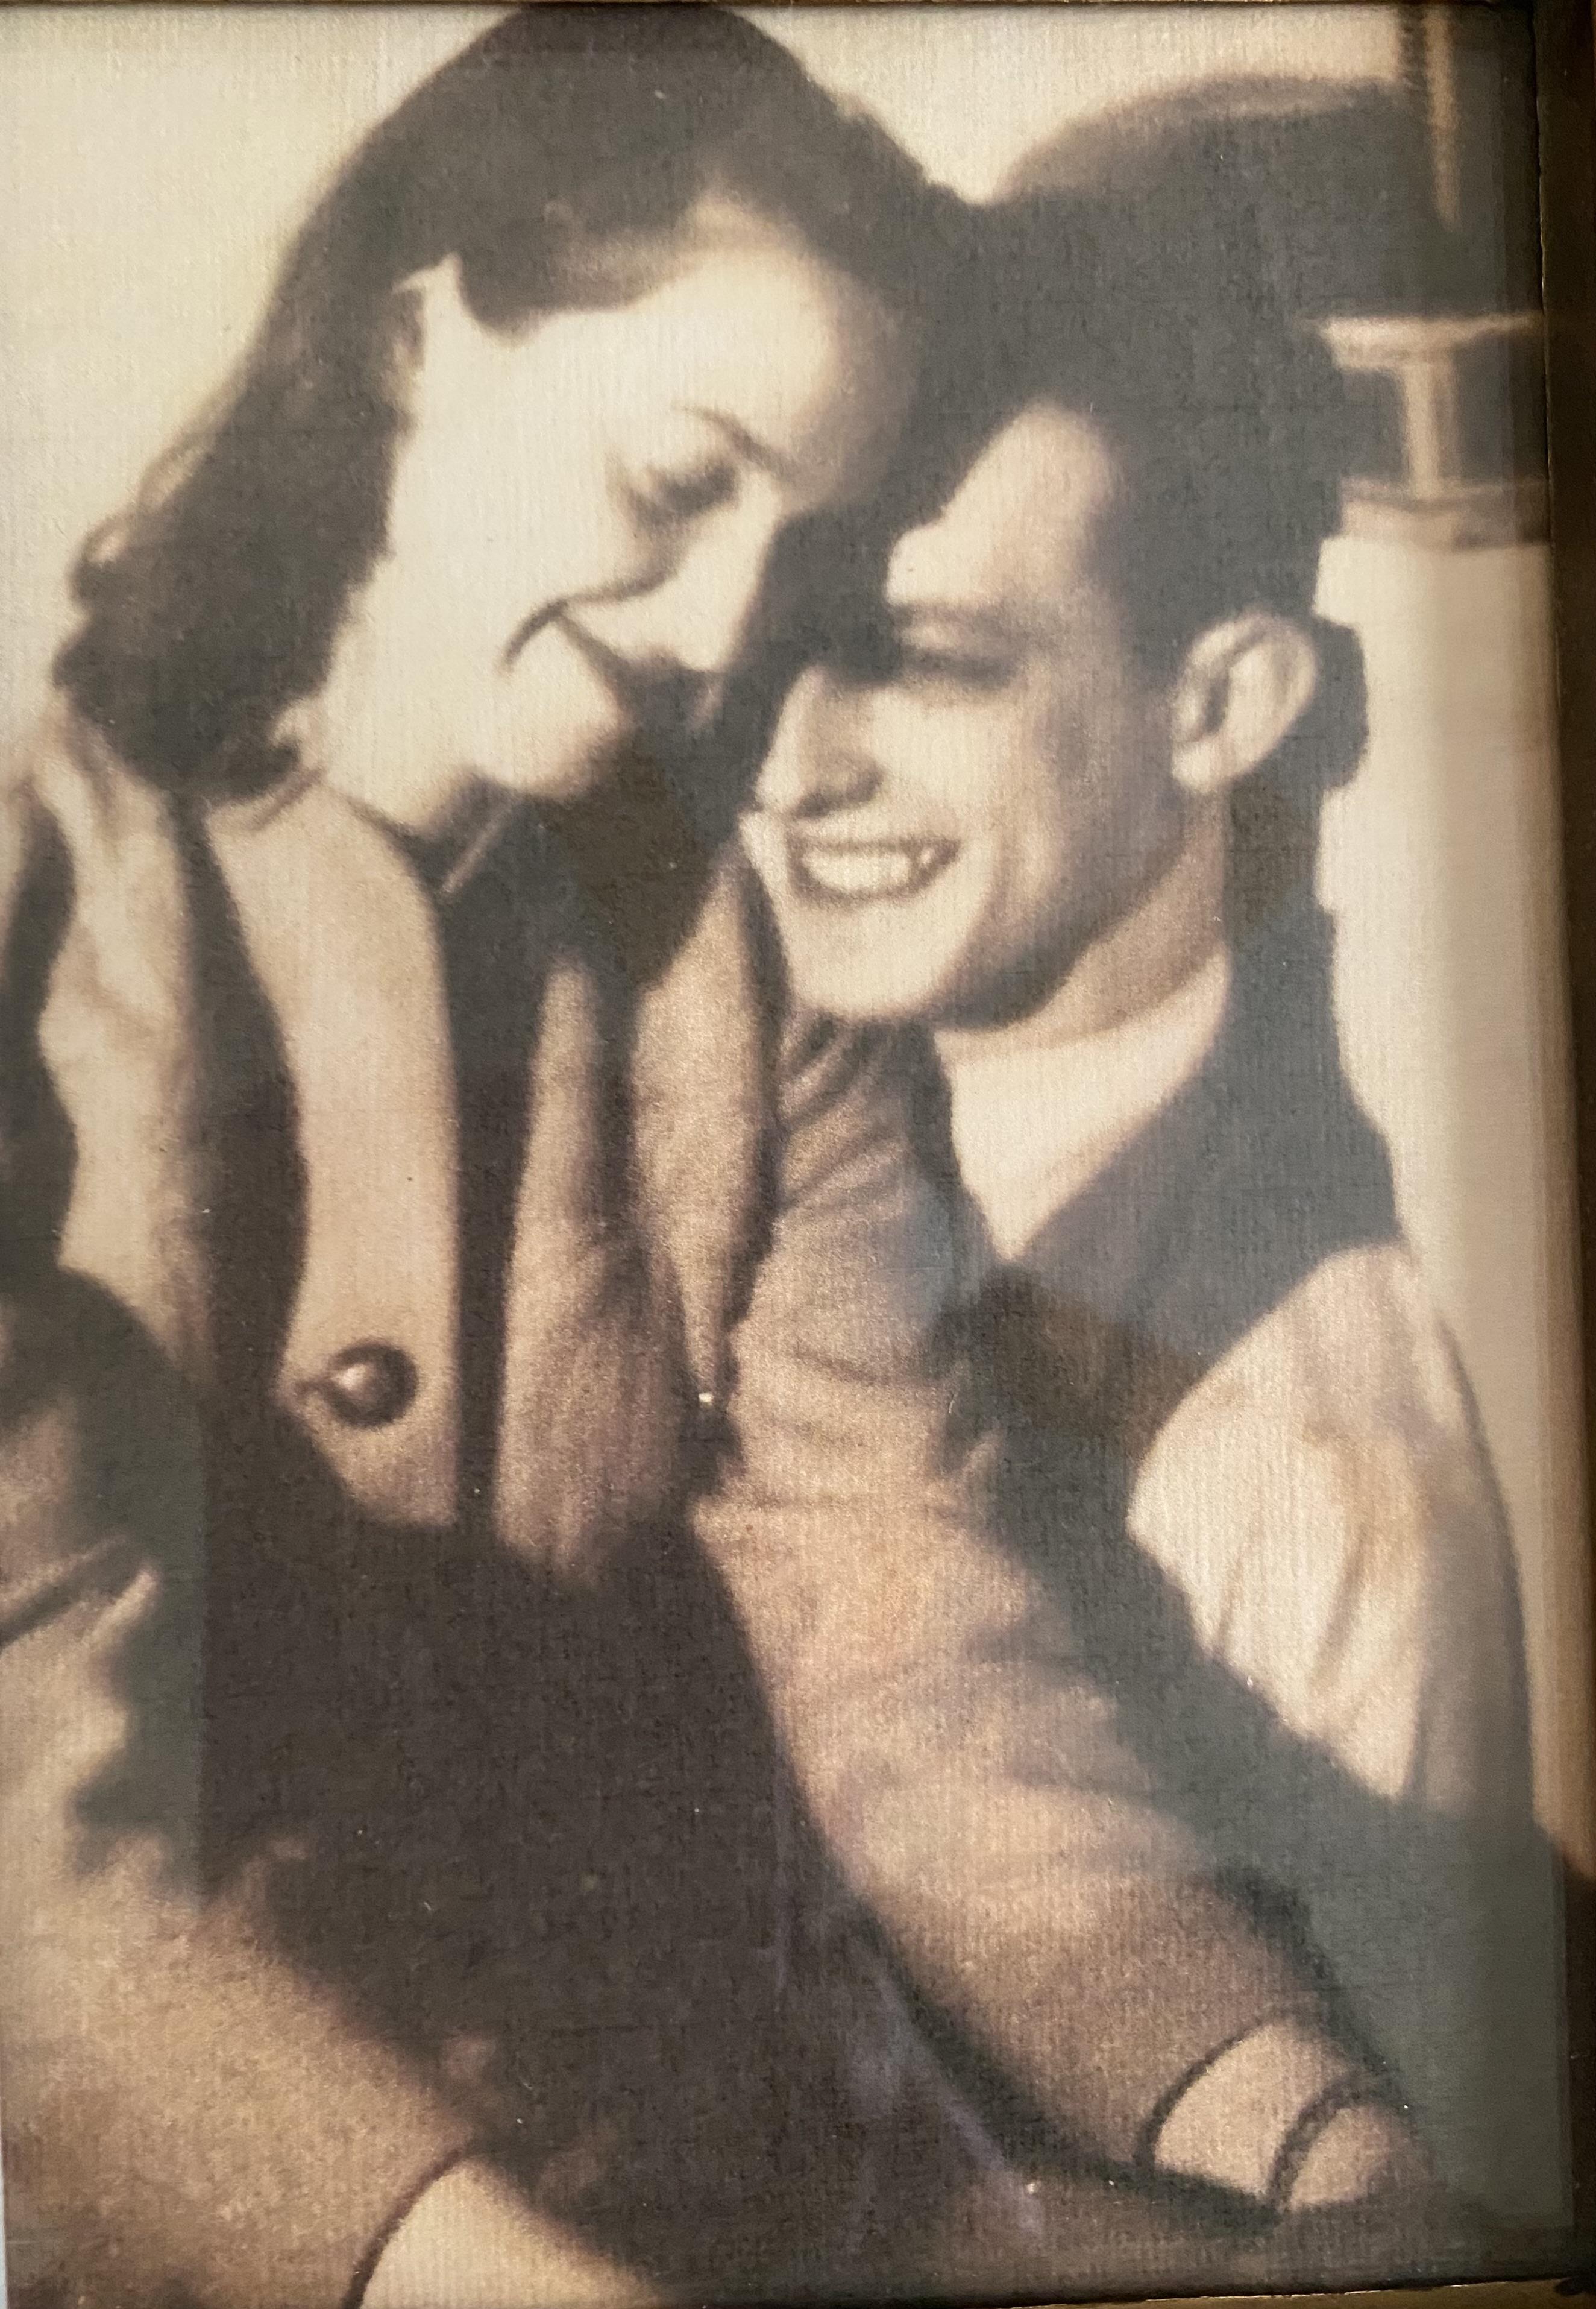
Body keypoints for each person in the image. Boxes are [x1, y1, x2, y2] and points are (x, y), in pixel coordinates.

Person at [1, 21, 1451, 2308]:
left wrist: (1315, 2128)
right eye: (677, 484)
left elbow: (910, 1635)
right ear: (419, 335)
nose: (713, 633)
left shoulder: (728, 969)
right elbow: (38, 1904)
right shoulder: (37, 912)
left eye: (798, 554)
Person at [745, 174, 1560, 2229]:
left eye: (924, 664)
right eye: (778, 660)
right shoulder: (748, 1134)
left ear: (1221, 707)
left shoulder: (1299, 1461)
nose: (793, 766)